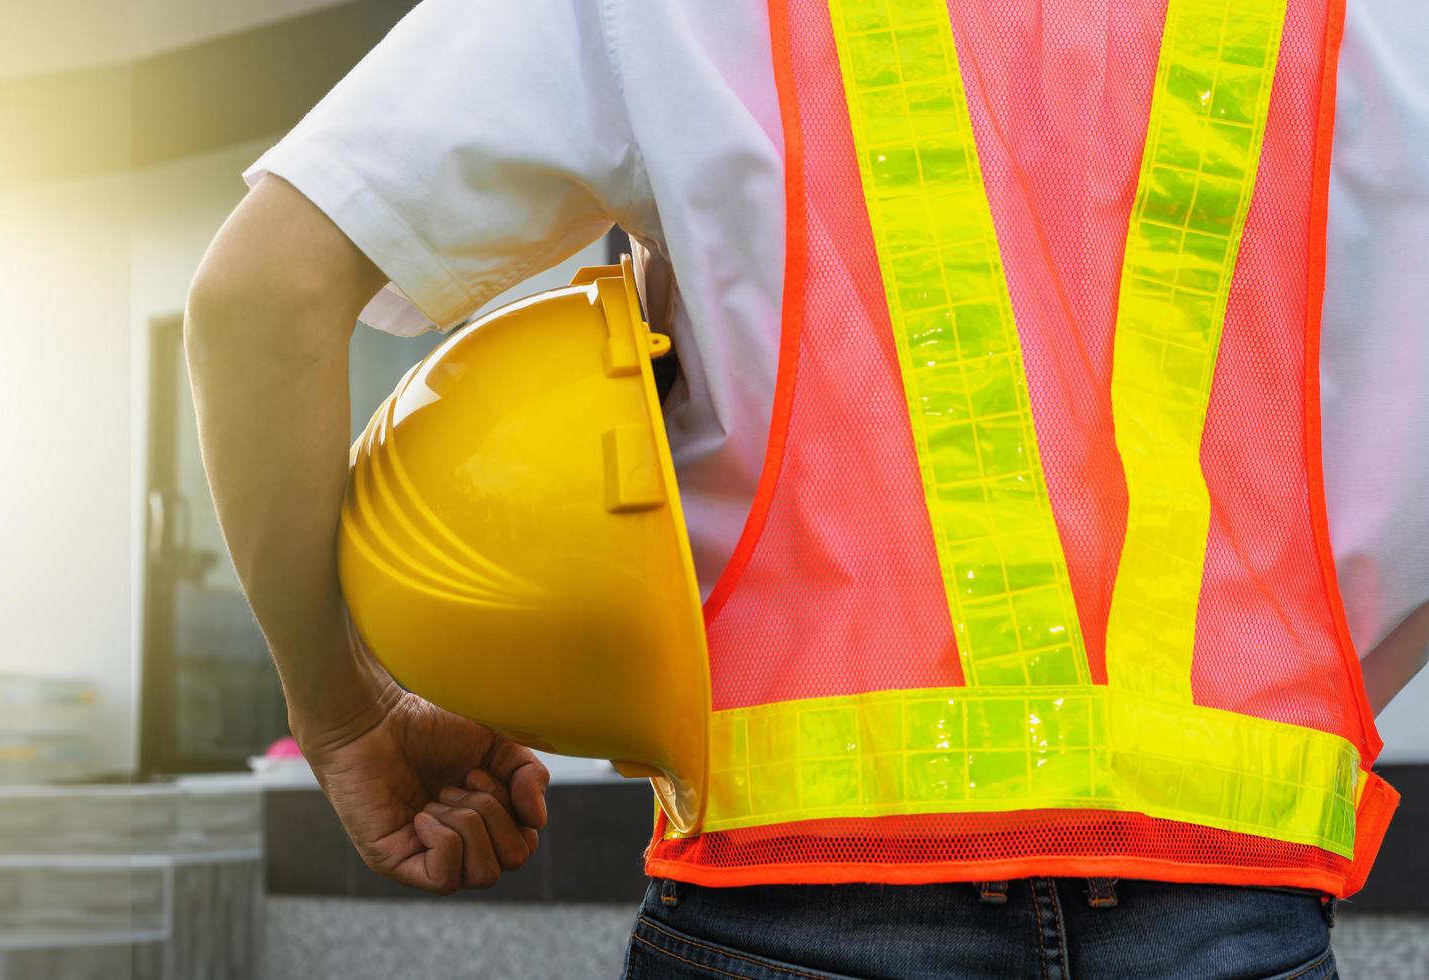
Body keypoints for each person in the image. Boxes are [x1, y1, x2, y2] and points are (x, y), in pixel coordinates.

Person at [184, 1, 1429, 976]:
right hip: (1235, 904)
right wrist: (1277, 704)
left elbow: (260, 296)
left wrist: (341, 713)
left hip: (787, 910)